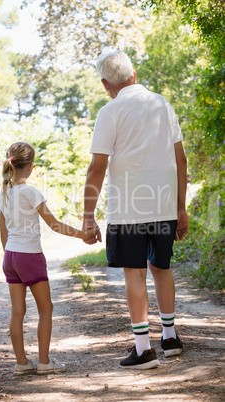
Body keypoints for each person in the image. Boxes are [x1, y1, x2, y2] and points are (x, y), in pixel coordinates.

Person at [82, 50, 188, 369]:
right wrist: (181, 208)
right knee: (162, 268)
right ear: (134, 73)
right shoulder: (162, 104)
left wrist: (88, 216)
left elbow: (96, 169)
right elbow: (180, 159)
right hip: (165, 205)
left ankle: (143, 349)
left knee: (135, 272)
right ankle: (169, 338)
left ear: (105, 84)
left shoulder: (110, 111)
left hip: (129, 208)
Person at [0, 141, 98, 375]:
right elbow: (53, 224)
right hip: (29, 256)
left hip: (10, 257)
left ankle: (21, 363)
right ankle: (44, 362)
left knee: (17, 312)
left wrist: (11, 258)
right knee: (46, 309)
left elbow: (4, 235)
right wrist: (83, 235)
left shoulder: (3, 195)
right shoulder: (31, 192)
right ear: (31, 167)